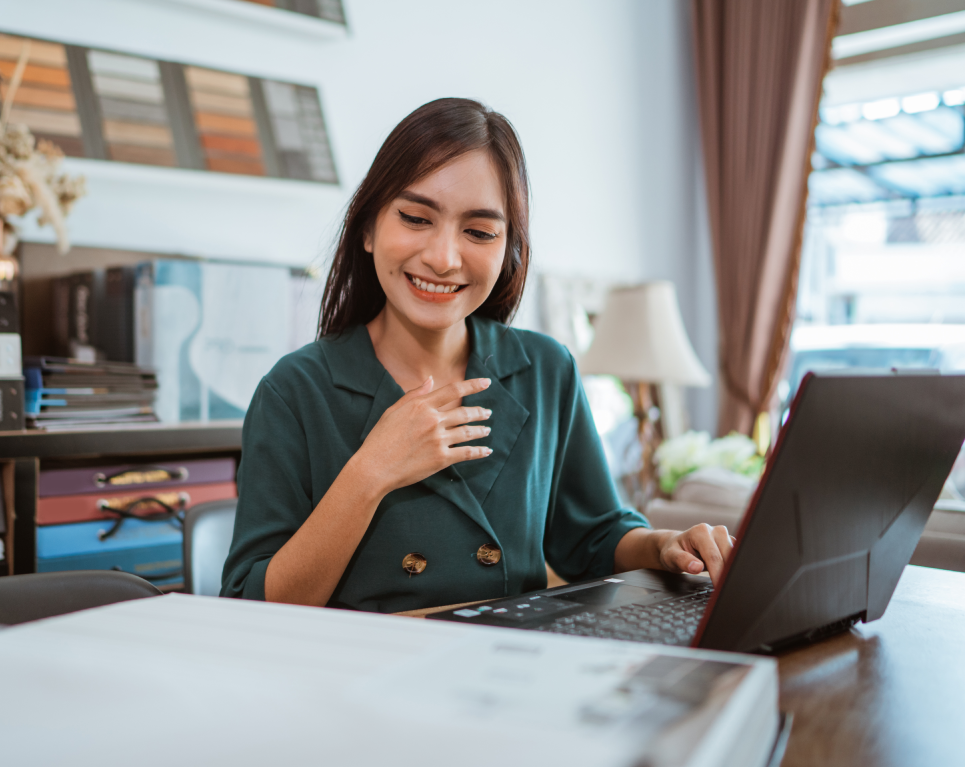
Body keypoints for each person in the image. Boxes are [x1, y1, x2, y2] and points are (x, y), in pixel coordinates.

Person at [221, 98, 733, 612]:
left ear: (508, 247)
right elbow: (252, 606)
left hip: (509, 672)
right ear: (368, 228)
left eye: (479, 232)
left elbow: (593, 538)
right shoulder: (294, 391)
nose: (443, 258)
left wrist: (663, 546)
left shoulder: (545, 369)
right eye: (416, 218)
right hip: (358, 677)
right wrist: (370, 473)